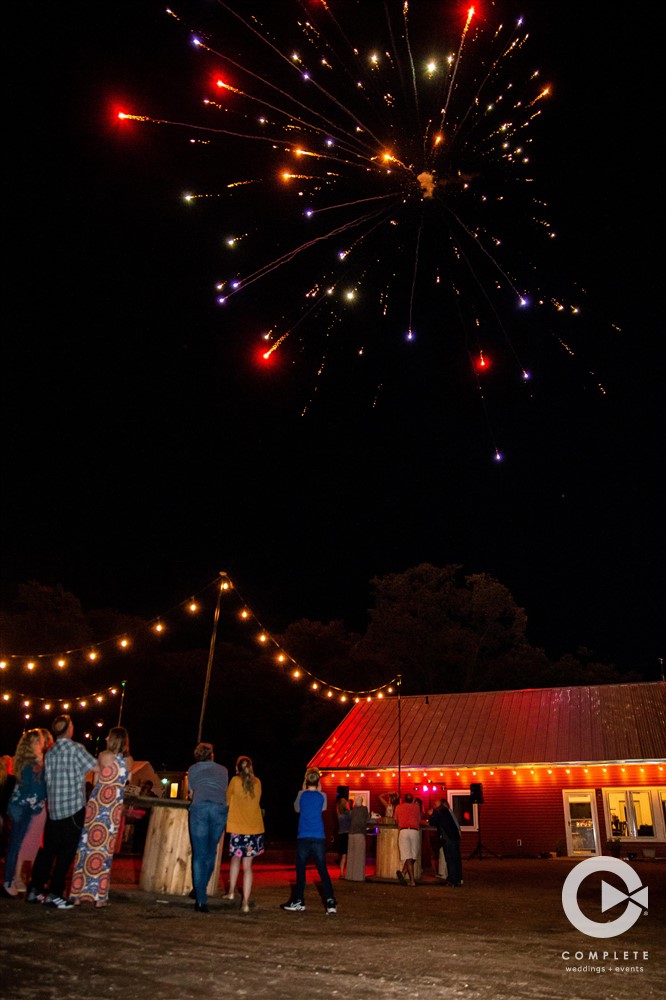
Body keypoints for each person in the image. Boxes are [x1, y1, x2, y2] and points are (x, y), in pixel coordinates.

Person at [26, 714, 99, 909]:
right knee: (66, 855)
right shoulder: (76, 749)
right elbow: (97, 767)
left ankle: (35, 888)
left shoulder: (50, 752)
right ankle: (55, 893)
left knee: (48, 851)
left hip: (54, 809)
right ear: (68, 729)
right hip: (73, 809)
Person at [69, 726, 133, 908]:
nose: (105, 738)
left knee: (88, 846)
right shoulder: (129, 761)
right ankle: (100, 896)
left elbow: (96, 781)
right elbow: (127, 781)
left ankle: (78, 893)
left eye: (108, 736)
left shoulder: (105, 756)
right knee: (105, 850)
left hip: (98, 805)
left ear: (113, 739)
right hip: (113, 807)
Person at [281, 767, 337, 914]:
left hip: (304, 837)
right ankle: (330, 902)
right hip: (318, 837)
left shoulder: (301, 794)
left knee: (301, 870)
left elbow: (296, 809)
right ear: (318, 782)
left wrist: (302, 789)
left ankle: (299, 900)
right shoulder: (322, 796)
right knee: (322, 870)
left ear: (305, 782)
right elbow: (322, 808)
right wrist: (319, 790)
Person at [1, 729, 46, 898]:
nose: (43, 744)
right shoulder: (34, 764)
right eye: (40, 741)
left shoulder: (24, 762)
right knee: (15, 845)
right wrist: (39, 806)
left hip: (17, 806)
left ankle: (9, 880)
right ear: (35, 743)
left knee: (15, 844)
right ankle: (8, 881)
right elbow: (36, 790)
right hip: (24, 808)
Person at [186, 742, 228, 913]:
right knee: (211, 852)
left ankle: (200, 898)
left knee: (199, 854)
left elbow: (191, 793)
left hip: (200, 808)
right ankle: (200, 889)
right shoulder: (223, 770)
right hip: (218, 809)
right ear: (212, 755)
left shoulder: (193, 769)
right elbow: (223, 789)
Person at [13, 729, 54, 892]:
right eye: (42, 741)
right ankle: (17, 877)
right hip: (29, 807)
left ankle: (30, 877)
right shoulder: (30, 763)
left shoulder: (43, 762)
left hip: (40, 807)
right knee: (24, 842)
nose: (44, 744)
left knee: (37, 843)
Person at [224, 755, 264, 913]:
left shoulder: (234, 781)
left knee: (235, 860)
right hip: (254, 829)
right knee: (248, 866)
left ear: (237, 768)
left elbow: (227, 801)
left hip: (238, 829)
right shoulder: (258, 782)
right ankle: (245, 903)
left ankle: (231, 892)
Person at [429, 797, 463, 886]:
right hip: (455, 837)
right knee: (456, 859)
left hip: (447, 838)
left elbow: (432, 822)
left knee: (450, 859)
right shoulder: (446, 811)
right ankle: (458, 879)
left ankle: (452, 880)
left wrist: (431, 814)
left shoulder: (438, 811)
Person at [394, 792, 421, 886]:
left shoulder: (398, 807)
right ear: (412, 800)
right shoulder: (417, 808)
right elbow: (419, 819)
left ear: (404, 799)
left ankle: (411, 880)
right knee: (413, 856)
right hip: (414, 831)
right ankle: (403, 874)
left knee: (408, 856)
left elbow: (395, 820)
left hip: (404, 831)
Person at [345, 793, 369, 882]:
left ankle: (349, 875)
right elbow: (367, 819)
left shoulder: (353, 810)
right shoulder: (364, 809)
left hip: (351, 833)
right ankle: (358, 877)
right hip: (359, 833)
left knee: (351, 855)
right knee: (359, 855)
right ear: (361, 802)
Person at [335, 797, 351, 878]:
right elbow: (352, 817)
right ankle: (342, 873)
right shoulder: (347, 813)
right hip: (346, 834)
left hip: (340, 834)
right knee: (346, 855)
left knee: (343, 855)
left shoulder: (339, 813)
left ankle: (341, 872)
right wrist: (349, 807)